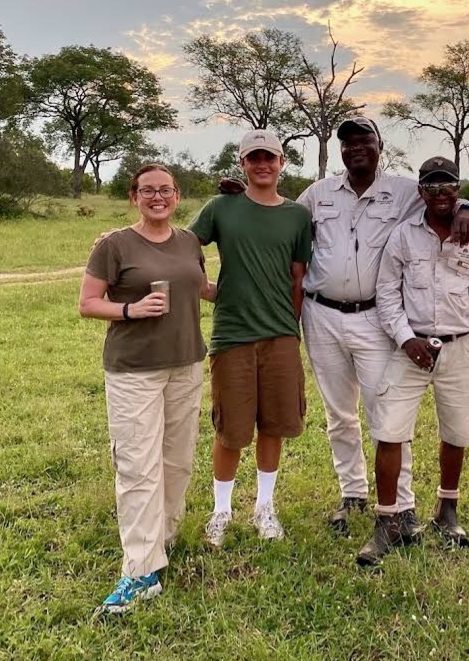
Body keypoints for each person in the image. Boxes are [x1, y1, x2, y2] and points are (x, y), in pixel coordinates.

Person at [296, 116, 469, 540]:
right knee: (339, 413)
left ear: (380, 145)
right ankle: (353, 494)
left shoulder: (401, 192)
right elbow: (279, 217)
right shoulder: (319, 193)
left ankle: (402, 504)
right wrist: (239, 198)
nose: (355, 147)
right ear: (340, 151)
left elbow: (445, 203)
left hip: (376, 317)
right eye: (348, 143)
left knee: (387, 412)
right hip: (321, 314)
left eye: (364, 140)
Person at [79, 164, 216, 614]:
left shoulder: (189, 242)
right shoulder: (113, 245)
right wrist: (131, 309)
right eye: (147, 190)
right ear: (133, 197)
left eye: (165, 190)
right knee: (138, 465)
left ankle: (163, 539)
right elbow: (88, 304)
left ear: (177, 196)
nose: (157, 197)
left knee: (176, 461)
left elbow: (201, 288)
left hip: (186, 364)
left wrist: (253, 271)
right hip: (134, 369)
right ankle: (139, 571)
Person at [358, 157, 469, 567]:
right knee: (389, 429)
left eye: (448, 186)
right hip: (413, 346)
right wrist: (405, 339)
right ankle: (388, 522)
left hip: (459, 348)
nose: (441, 195)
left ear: (458, 189)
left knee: (457, 429)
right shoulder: (403, 236)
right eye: (432, 188)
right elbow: (387, 294)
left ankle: (447, 511)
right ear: (420, 192)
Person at [187, 130, 313, 547]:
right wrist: (206, 289)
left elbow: (299, 277)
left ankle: (264, 507)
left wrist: (289, 329)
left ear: (282, 162)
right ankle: (221, 511)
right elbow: (184, 247)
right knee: (231, 430)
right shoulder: (222, 207)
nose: (263, 164)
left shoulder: (297, 216)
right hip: (232, 335)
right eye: (254, 158)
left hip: (279, 336)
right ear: (242, 163)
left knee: (273, 424)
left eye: (270, 157)